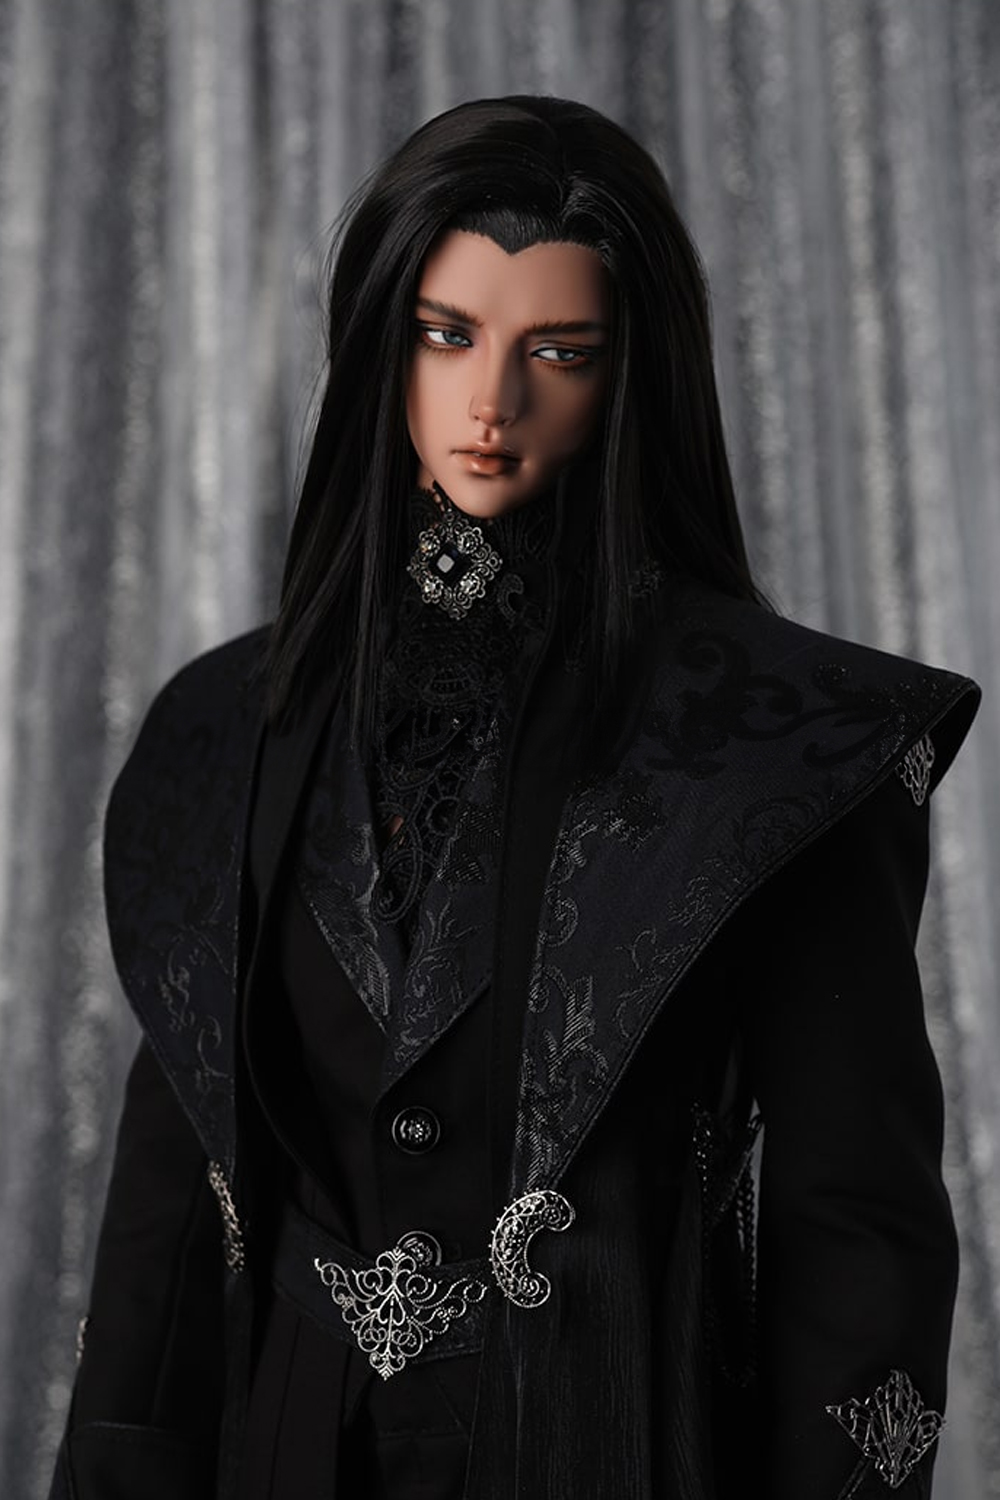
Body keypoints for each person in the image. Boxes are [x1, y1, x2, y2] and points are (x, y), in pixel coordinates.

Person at [49, 95, 979, 1500]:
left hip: (613, 1441)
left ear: (632, 375)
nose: (492, 403)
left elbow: (858, 1235)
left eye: (559, 351)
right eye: (446, 336)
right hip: (285, 1445)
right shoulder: (223, 727)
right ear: (381, 345)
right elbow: (171, 1208)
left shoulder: (790, 747)